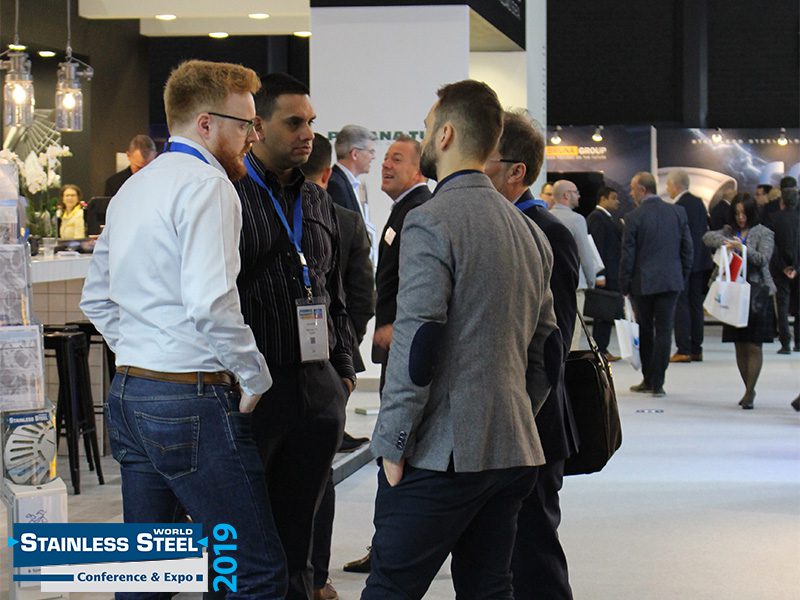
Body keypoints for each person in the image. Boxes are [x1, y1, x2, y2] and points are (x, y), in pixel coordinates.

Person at [80, 59, 286, 598]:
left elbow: (96, 297)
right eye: (244, 125)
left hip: (131, 393)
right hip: (190, 400)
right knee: (254, 570)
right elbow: (211, 303)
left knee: (148, 573)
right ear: (205, 124)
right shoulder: (209, 186)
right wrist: (255, 374)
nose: (252, 137)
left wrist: (145, 350)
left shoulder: (135, 188)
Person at [363, 80, 559, 599]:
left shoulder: (430, 220)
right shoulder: (530, 232)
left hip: (441, 454)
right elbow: (548, 350)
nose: (426, 138)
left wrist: (393, 442)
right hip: (512, 449)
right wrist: (513, 413)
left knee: (390, 587)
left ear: (447, 134)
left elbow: (419, 340)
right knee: (489, 588)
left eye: (428, 128)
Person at [234, 73, 355, 600]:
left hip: (316, 384)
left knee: (302, 535)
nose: (308, 133)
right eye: (294, 122)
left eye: (311, 122)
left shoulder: (317, 200)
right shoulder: (229, 193)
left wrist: (343, 370)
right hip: (255, 388)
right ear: (257, 127)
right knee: (241, 534)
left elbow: (333, 290)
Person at [484, 108, 579, 600]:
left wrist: (520, 412)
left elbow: (550, 343)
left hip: (533, 423)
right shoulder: (494, 225)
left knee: (534, 555)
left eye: (485, 158)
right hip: (499, 422)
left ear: (516, 171)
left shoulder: (548, 231)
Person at [342, 134, 432, 577]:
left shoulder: (417, 210)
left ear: (419, 169)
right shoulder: (404, 209)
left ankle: (391, 549)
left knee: (396, 447)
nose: (386, 165)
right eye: (385, 158)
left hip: (405, 352)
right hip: (398, 349)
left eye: (397, 159)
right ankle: (390, 546)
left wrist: (400, 324)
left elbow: (421, 278)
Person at [302, 132, 374, 600]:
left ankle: (314, 576)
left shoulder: (343, 222)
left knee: (318, 475)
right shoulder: (253, 210)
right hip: (280, 370)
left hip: (325, 371)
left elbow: (359, 299)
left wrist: (342, 363)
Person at [621, 171, 693, 397]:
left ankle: (648, 379)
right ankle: (659, 382)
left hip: (643, 283)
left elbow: (628, 256)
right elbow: (687, 249)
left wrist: (625, 286)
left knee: (645, 330)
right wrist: (681, 276)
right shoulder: (677, 212)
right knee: (664, 331)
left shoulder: (634, 217)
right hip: (671, 281)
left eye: (633, 189)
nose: (631, 193)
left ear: (642, 190)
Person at [703, 193, 776, 409]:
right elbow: (707, 238)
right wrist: (727, 242)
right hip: (732, 292)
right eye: (737, 213)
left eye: (744, 213)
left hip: (756, 292)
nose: (741, 218)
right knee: (739, 344)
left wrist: (742, 249)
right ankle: (748, 389)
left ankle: (749, 391)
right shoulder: (729, 230)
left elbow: (763, 259)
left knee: (754, 344)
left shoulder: (764, 232)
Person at [667, 169, 713, 363]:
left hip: (684, 262)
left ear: (675, 185)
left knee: (682, 306)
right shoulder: (699, 203)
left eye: (668, 185)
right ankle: (696, 349)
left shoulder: (678, 207)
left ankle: (683, 349)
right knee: (696, 306)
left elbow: (678, 238)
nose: (667, 189)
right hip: (701, 261)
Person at [587, 185, 623, 360]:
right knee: (603, 312)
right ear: (603, 199)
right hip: (606, 273)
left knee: (607, 312)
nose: (617, 202)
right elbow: (597, 247)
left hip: (612, 272)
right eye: (613, 198)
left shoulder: (607, 217)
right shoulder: (597, 218)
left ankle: (603, 348)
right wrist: (599, 274)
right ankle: (600, 349)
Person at [769, 186, 799, 354]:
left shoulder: (774, 218)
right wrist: (796, 267)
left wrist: (783, 267)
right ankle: (799, 342)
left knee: (782, 305)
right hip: (798, 269)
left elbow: (773, 247)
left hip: (780, 269)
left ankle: (785, 343)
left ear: (782, 202)